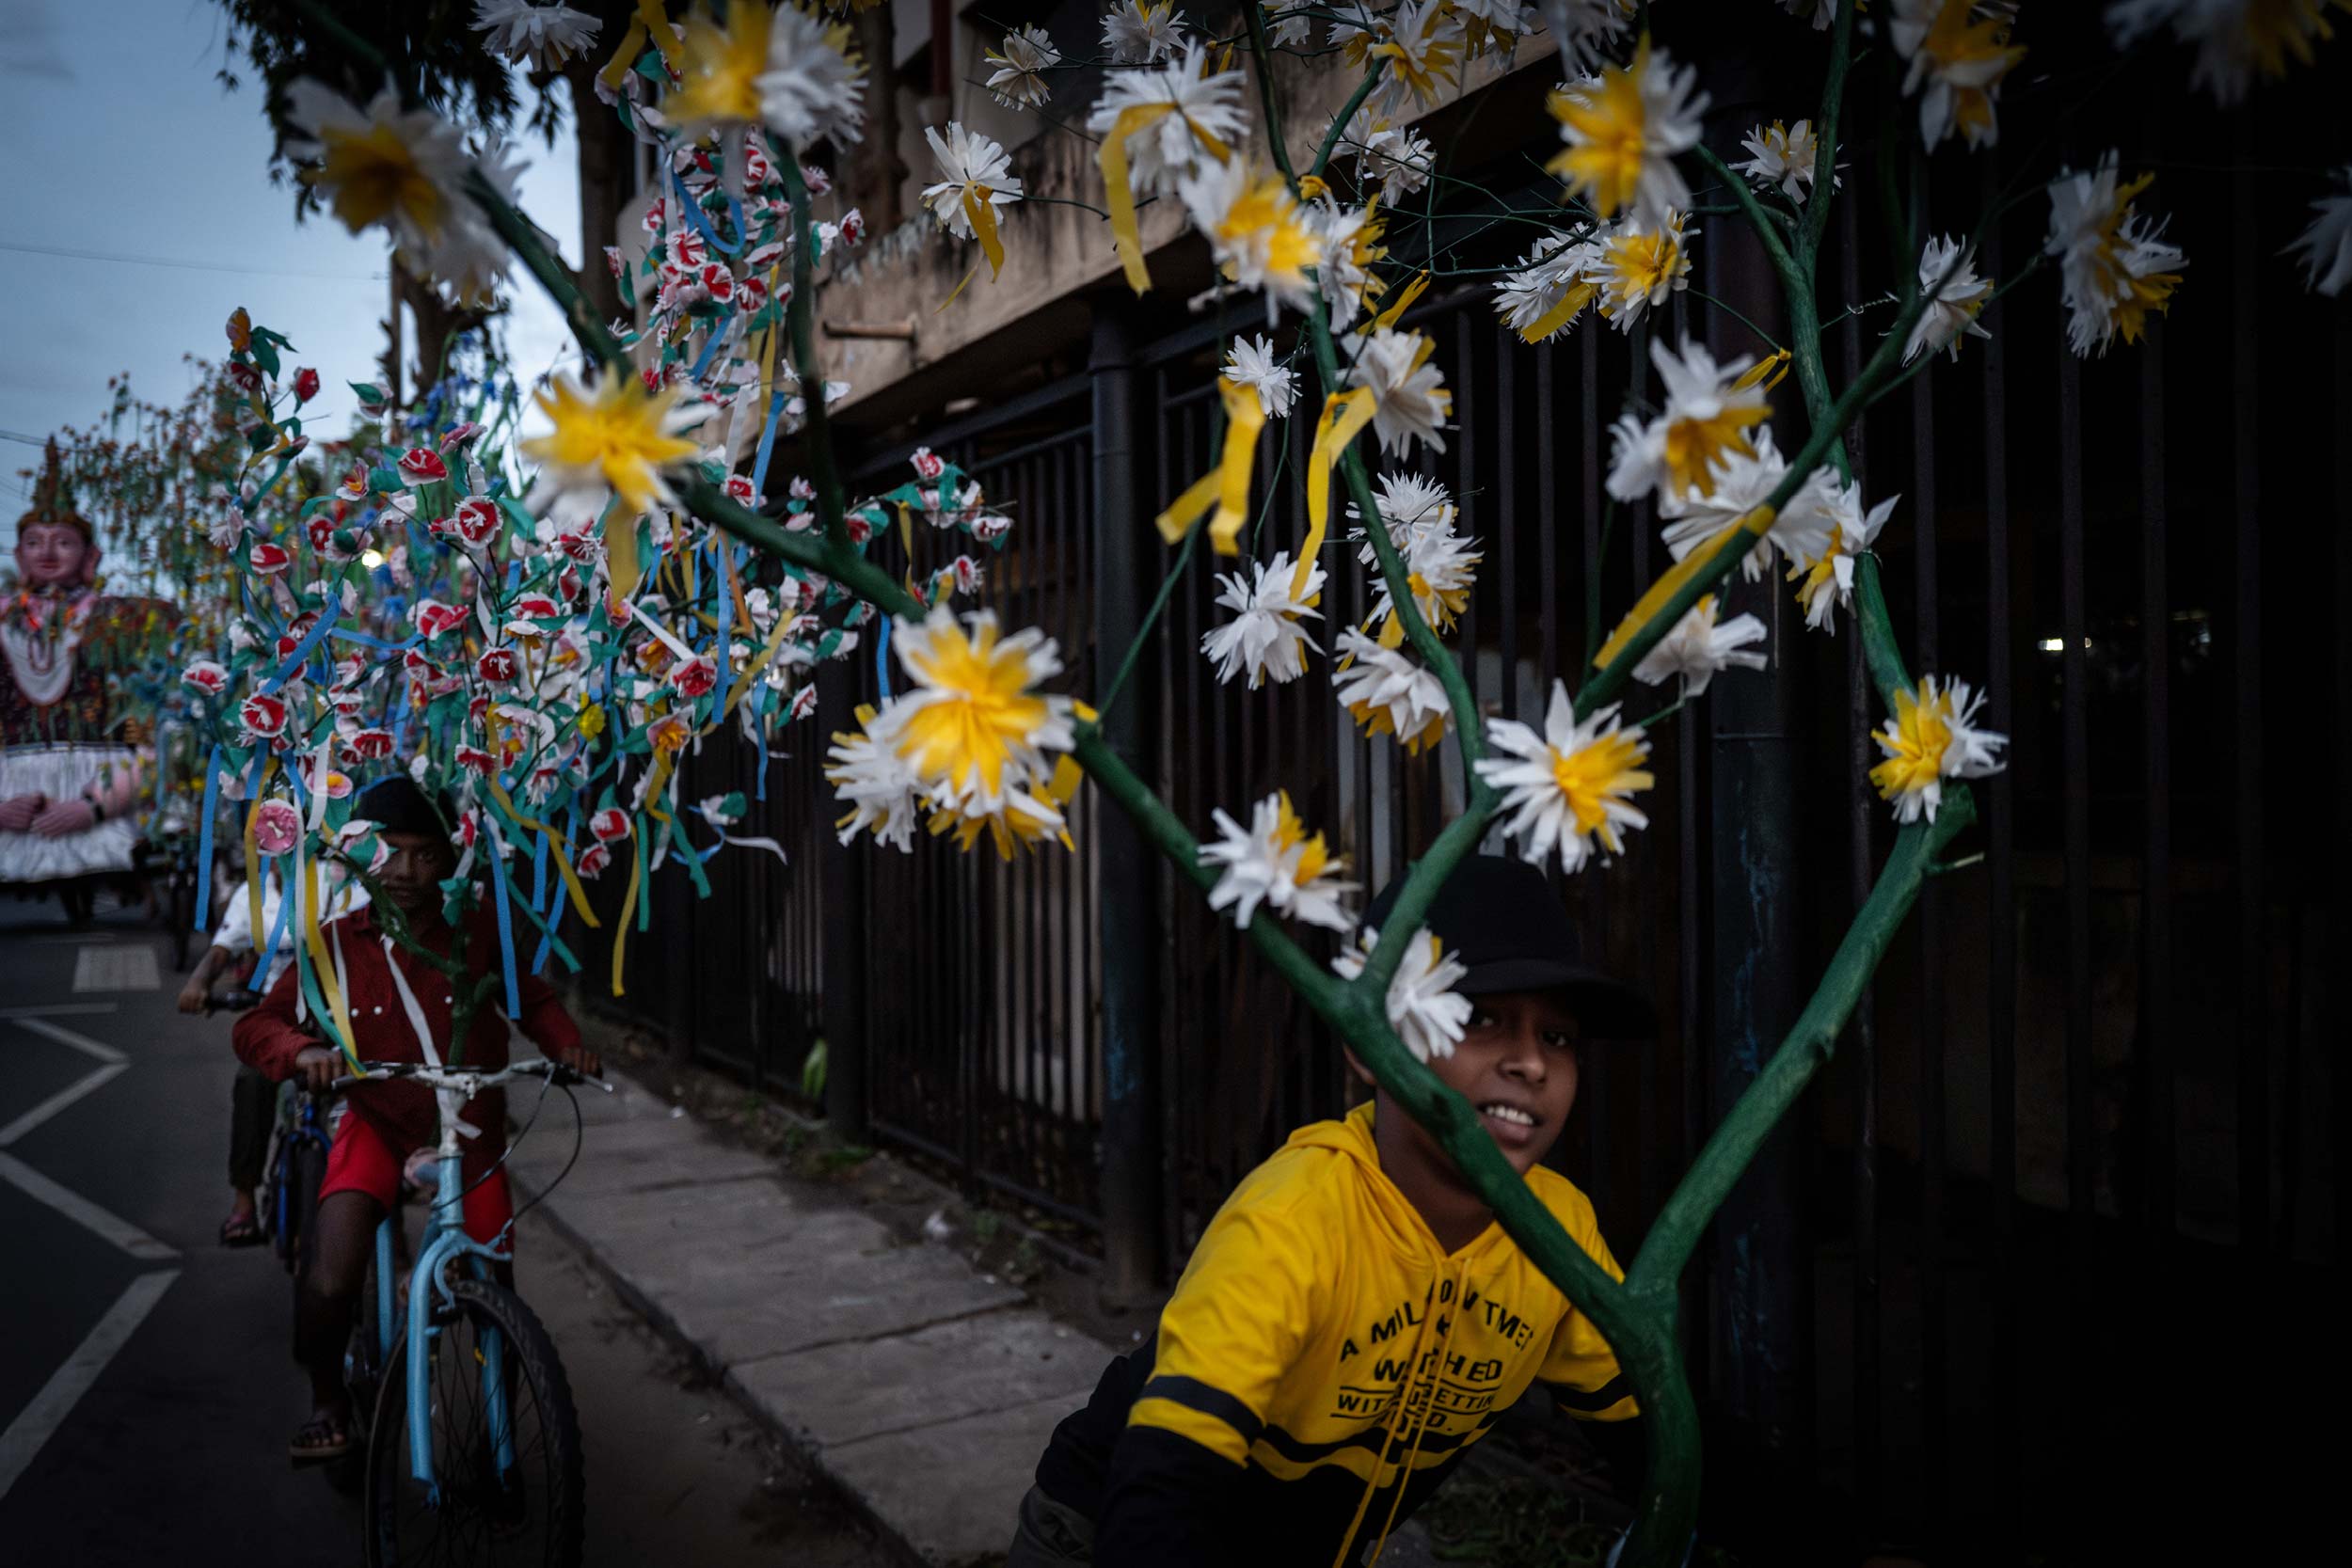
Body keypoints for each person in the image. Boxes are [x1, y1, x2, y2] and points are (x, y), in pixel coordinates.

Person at [1012, 855, 1652, 1567]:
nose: (1531, 1063)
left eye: (1557, 1037)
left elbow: (1649, 1438)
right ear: (1367, 1043)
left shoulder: (1560, 1235)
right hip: (1104, 1527)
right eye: (1478, 1018)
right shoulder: (1293, 1216)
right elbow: (1166, 1485)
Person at [232, 775, 597, 1465]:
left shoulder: (478, 930)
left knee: (495, 1286)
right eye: (388, 851)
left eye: (425, 854)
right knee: (329, 1276)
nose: (404, 871)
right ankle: (328, 1404)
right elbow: (258, 1025)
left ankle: (500, 1442)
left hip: (468, 1134)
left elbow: (534, 1000)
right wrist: (302, 1050)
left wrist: (566, 1045)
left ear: (451, 857)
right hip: (375, 1123)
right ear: (358, 854)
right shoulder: (333, 943)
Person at [0, 439, 166, 920]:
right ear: (18, 555)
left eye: (64, 541)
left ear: (90, 556)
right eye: (35, 542)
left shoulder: (121, 621)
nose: (48, 553)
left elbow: (145, 737)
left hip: (101, 781)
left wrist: (92, 807)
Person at [179, 860, 368, 1247]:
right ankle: (244, 1200)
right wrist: (198, 982)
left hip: (339, 1016)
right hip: (278, 1017)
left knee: (368, 1090)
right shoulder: (253, 893)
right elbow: (221, 950)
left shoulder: (337, 880)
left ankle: (387, 1228)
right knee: (252, 1081)